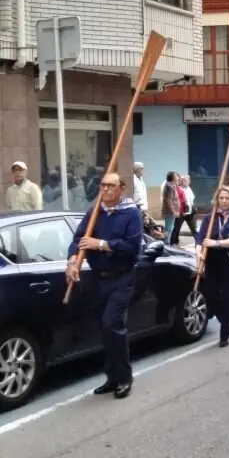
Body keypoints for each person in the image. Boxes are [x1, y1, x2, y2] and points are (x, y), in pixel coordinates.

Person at [65, 172, 143, 399]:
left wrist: (100, 244)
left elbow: (132, 247)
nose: (106, 189)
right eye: (103, 185)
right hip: (99, 278)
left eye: (111, 185)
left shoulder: (131, 213)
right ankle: (112, 377)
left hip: (122, 277)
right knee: (104, 328)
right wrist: (72, 261)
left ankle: (124, 378)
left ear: (122, 189)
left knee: (113, 324)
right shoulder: (94, 211)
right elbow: (78, 239)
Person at [194, 185, 229, 348]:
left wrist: (216, 243)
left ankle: (225, 334)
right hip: (212, 260)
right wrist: (199, 252)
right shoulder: (209, 218)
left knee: (228, 298)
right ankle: (221, 316)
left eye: (227, 198)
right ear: (217, 200)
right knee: (209, 294)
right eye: (221, 198)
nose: (224, 201)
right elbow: (201, 238)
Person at [161, 171, 180, 244]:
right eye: (176, 176)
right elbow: (168, 200)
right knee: (169, 229)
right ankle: (166, 244)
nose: (178, 177)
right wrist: (173, 212)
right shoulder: (169, 186)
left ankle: (167, 243)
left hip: (170, 212)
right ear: (172, 177)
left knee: (170, 228)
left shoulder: (171, 185)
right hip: (169, 213)